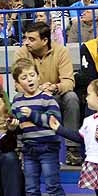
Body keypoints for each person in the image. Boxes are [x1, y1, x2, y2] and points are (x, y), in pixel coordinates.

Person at [11, 58, 72, 196]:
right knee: (31, 188)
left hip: (48, 148)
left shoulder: (47, 99)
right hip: (29, 149)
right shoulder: (17, 101)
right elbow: (18, 124)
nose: (29, 79)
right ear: (17, 83)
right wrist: (13, 125)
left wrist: (33, 115)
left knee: (52, 185)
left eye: (32, 75)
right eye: (24, 77)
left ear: (38, 76)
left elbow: (54, 122)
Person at [16, 22, 82, 166]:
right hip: (32, 94)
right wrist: (37, 91)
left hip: (55, 94)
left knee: (71, 97)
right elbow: (18, 84)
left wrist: (54, 87)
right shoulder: (22, 52)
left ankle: (72, 149)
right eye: (25, 38)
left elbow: (69, 82)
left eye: (31, 39)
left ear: (45, 40)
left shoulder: (61, 51)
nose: (26, 42)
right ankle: (22, 148)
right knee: (19, 99)